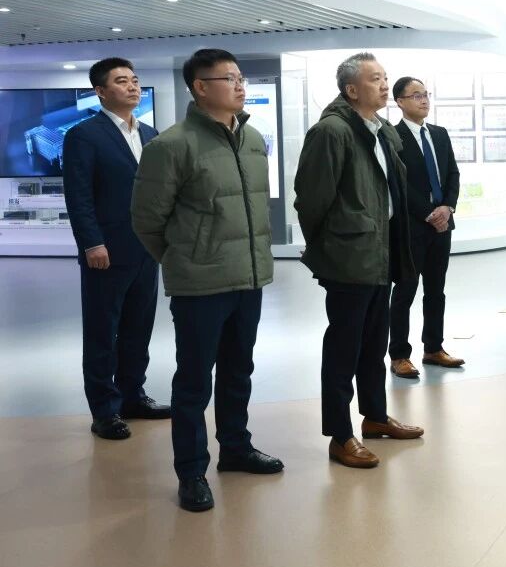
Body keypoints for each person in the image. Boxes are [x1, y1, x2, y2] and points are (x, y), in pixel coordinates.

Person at [132, 48, 282, 513]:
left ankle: (235, 448)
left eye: (241, 78)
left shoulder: (251, 138)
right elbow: (147, 221)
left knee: (239, 371)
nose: (240, 85)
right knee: (194, 381)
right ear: (200, 87)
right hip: (200, 285)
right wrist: (186, 259)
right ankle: (192, 471)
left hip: (249, 278)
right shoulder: (171, 146)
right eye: (229, 78)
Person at [294, 53, 422, 470]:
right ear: (351, 90)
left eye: (385, 77)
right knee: (343, 349)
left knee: (373, 343)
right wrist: (330, 247)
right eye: (375, 79)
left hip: (380, 253)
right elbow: (311, 200)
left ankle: (375, 417)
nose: (385, 86)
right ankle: (340, 435)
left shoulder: (380, 128)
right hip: (350, 257)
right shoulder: (332, 131)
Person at [63, 57, 169, 440]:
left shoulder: (151, 134)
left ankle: (133, 396)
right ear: (101, 91)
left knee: (138, 329)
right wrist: (91, 242)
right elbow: (79, 195)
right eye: (122, 81)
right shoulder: (84, 135)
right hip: (106, 251)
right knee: (102, 332)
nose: (132, 86)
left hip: (146, 250)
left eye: (135, 80)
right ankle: (104, 410)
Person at [387, 76, 464, 378]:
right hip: (411, 226)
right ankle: (399, 355)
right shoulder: (392, 136)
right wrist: (428, 212)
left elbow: (453, 173)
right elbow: (397, 182)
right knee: (405, 290)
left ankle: (433, 348)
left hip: (442, 226)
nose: (423, 100)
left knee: (436, 291)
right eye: (416, 95)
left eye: (426, 94)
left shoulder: (439, 134)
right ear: (400, 102)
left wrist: (447, 207)